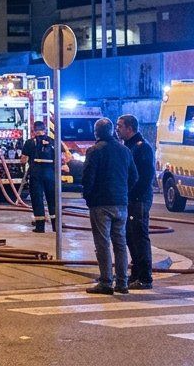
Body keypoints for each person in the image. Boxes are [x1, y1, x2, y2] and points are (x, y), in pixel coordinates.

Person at [81, 117, 139, 295]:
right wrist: (123, 192)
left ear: (96, 133)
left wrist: (88, 197)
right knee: (120, 243)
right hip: (121, 203)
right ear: (112, 131)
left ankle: (106, 281)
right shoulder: (125, 150)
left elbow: (87, 179)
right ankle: (122, 283)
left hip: (101, 203)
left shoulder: (94, 151)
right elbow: (134, 176)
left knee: (103, 243)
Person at [117, 114, 155, 290]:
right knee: (130, 237)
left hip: (138, 199)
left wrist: (134, 195)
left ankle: (145, 277)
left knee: (139, 237)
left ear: (129, 128)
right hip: (130, 198)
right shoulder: (128, 146)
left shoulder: (142, 148)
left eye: (120, 126)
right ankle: (136, 273)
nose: (117, 129)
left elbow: (146, 177)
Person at [21, 120, 59, 233]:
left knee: (37, 199)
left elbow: (23, 160)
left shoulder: (30, 142)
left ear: (34, 130)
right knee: (52, 199)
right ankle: (55, 226)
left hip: (36, 174)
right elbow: (61, 158)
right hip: (50, 174)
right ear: (45, 129)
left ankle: (40, 227)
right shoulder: (53, 141)